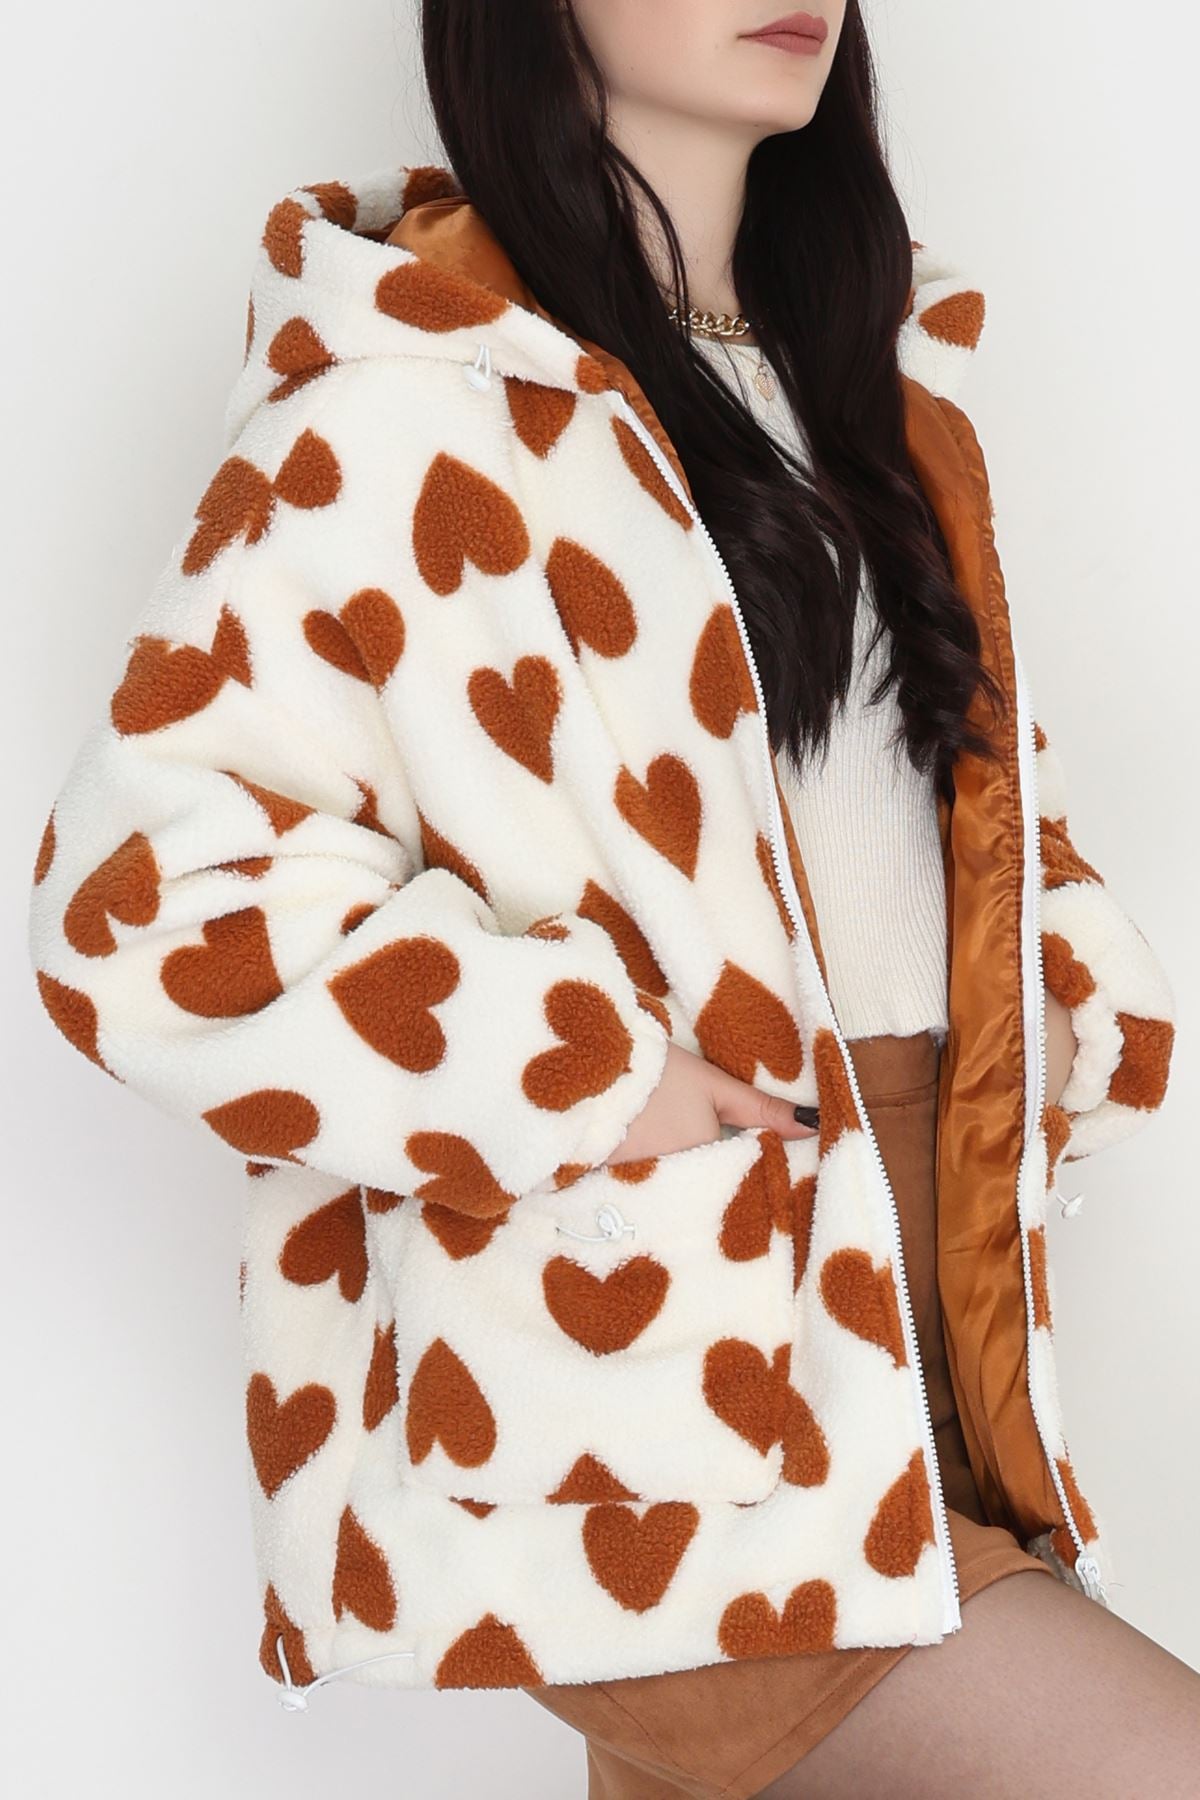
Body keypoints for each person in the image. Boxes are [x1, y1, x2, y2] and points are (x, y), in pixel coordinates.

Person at [26, 1, 1193, 1794]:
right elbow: (141, 901)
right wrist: (580, 1076)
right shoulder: (409, 398)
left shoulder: (874, 391)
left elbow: (922, 817)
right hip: (652, 1388)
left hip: (938, 1308)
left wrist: (1057, 1006)